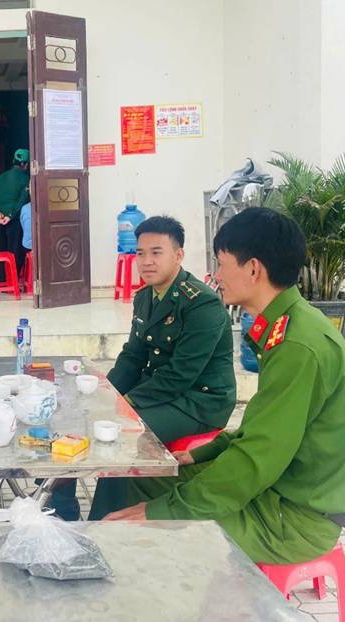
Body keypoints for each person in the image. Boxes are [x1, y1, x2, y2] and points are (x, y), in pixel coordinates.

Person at [91, 207, 345, 566]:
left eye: (222, 264)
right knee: (134, 478)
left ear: (253, 269)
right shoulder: (288, 326)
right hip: (277, 487)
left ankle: (113, 564)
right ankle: (94, 549)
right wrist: (205, 453)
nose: (216, 275)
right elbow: (264, 428)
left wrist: (165, 511)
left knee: (157, 520)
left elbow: (255, 459)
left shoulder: (297, 346)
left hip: (291, 518)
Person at [87, 215, 236, 519]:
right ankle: (57, 500)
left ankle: (104, 523)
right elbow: (133, 356)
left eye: (156, 252)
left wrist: (127, 402)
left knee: (121, 436)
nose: (146, 261)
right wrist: (106, 393)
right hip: (162, 391)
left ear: (178, 255)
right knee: (85, 417)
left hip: (199, 401)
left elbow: (181, 375)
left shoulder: (201, 303)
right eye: (140, 253)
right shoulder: (145, 297)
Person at [0, 148, 30, 281]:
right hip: (15, 220)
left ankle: (1, 278)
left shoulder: (0, 178)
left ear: (13, 161)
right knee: (15, 251)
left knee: (0, 251)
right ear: (24, 164)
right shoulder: (26, 179)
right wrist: (10, 215)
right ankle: (13, 280)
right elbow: (23, 200)